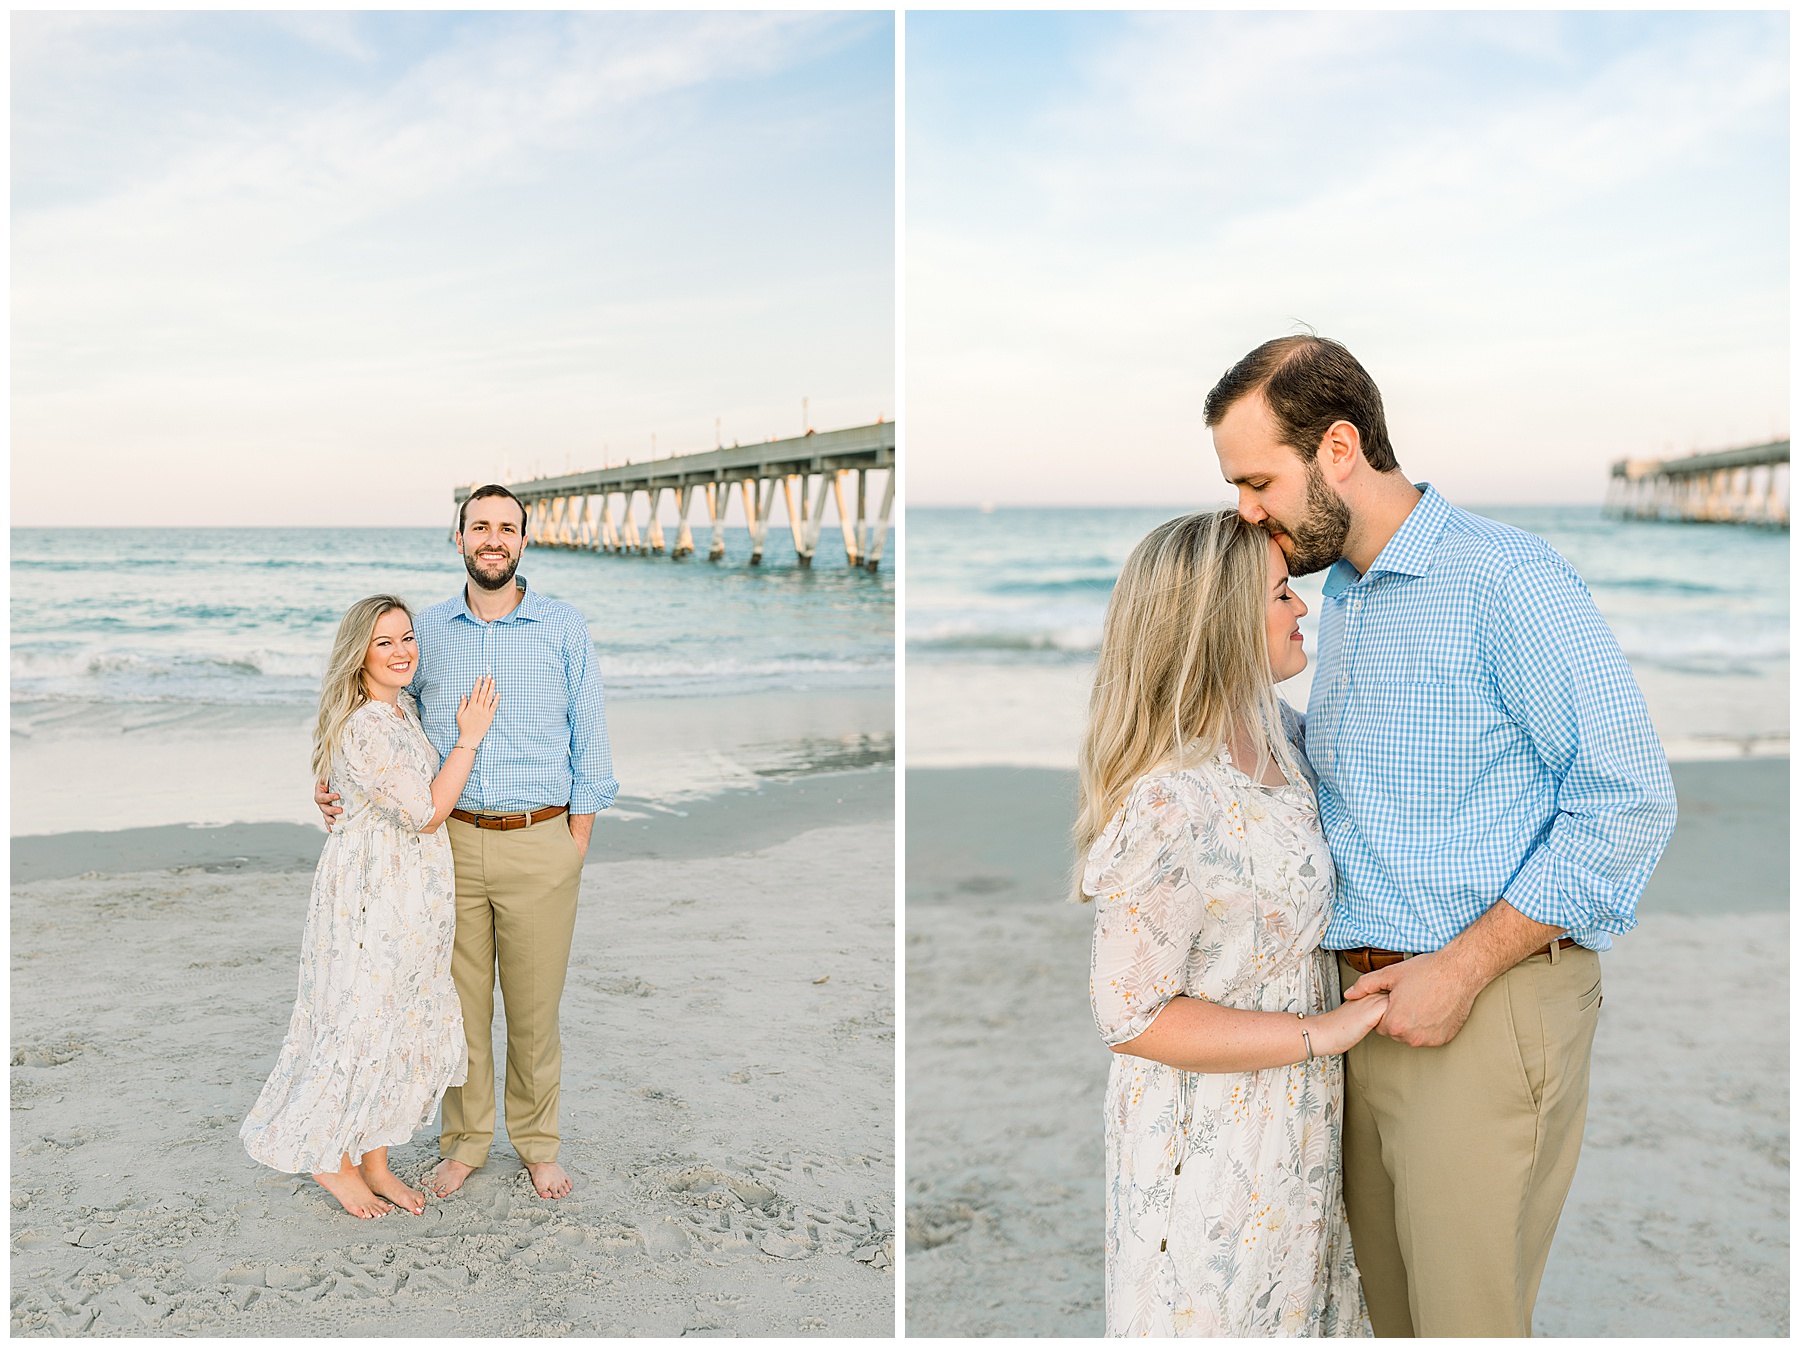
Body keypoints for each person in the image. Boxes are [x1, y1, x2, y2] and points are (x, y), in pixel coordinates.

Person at [1205, 334, 1677, 1337]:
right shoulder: (1348, 595)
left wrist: (1461, 969)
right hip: (1359, 1011)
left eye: (1257, 480)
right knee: (1393, 1319)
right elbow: (1364, 786)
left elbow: (1628, 798)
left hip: (1482, 1006)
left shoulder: (1506, 579)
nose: (1246, 512)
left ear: (1339, 447)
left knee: (1465, 1325)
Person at [1080, 510, 1387, 1337]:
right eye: (1282, 592)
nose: (1302, 610)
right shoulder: (1167, 798)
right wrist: (1322, 1035)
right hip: (1210, 1128)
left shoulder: (1282, 738)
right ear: (1217, 623)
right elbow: (1131, 1017)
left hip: (1302, 1115)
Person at [317, 485, 617, 1202]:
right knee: (459, 1012)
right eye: (478, 526)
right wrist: (333, 780)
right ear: (458, 539)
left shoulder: (563, 627)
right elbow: (381, 715)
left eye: (506, 528)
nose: (493, 539)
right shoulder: (427, 632)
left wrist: (575, 841)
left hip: (541, 841)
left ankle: (538, 1145)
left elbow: (592, 741)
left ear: (522, 542)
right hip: (445, 848)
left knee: (536, 1015)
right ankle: (465, 1144)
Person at [242, 595, 497, 1218]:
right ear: (359, 653)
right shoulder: (364, 724)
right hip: (373, 897)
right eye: (385, 642)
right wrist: (469, 740)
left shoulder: (400, 708)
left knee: (399, 1020)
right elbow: (425, 811)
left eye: (407, 637)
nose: (403, 650)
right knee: (361, 1019)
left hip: (412, 892)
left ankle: (376, 1162)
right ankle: (331, 1161)